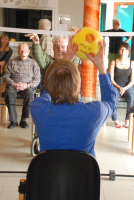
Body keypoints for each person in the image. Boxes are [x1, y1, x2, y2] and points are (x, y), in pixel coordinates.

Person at [30, 38, 116, 158]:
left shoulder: (37, 108)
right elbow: (111, 103)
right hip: (85, 175)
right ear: (78, 83)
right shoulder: (95, 112)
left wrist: (65, 63)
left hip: (49, 175)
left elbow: (47, 93)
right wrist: (102, 68)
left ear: (48, 82)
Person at [3, 43, 40, 129]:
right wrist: (13, 84)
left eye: (25, 50)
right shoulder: (12, 61)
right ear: (18, 52)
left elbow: (37, 79)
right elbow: (5, 77)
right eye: (21, 50)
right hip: (14, 86)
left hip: (27, 87)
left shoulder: (34, 63)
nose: (23, 53)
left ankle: (23, 120)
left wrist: (28, 85)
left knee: (30, 94)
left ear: (29, 52)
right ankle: (13, 121)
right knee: (8, 93)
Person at [109, 42, 134, 128]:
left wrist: (124, 88)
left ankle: (128, 118)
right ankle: (115, 119)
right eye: (121, 49)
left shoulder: (132, 63)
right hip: (115, 85)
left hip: (127, 85)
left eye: (126, 50)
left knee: (132, 97)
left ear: (129, 52)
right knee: (113, 97)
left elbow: (132, 81)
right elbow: (111, 79)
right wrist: (119, 87)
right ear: (119, 51)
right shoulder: (113, 62)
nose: (123, 52)